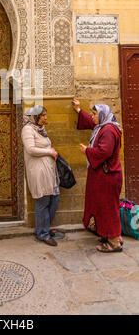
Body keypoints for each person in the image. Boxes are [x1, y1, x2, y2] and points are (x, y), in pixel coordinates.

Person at [72, 98, 123, 252]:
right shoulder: (104, 126)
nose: (93, 117)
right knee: (104, 207)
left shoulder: (108, 130)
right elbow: (90, 122)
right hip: (105, 177)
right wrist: (79, 110)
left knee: (108, 208)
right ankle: (112, 235)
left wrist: (87, 150)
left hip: (108, 177)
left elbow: (104, 151)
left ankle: (114, 243)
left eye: (95, 114)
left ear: (102, 115)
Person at [21, 105, 64, 246]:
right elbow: (31, 149)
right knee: (43, 201)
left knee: (54, 199)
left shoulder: (41, 129)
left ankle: (43, 228)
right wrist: (49, 152)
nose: (45, 117)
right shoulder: (27, 129)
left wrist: (50, 152)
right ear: (35, 116)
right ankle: (42, 234)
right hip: (39, 172)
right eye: (43, 115)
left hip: (49, 171)